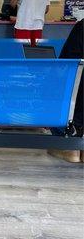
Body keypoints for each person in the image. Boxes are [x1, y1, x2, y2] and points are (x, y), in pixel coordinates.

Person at [48, 19, 84, 163]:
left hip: (77, 108)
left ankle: (71, 149)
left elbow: (65, 64)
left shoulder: (81, 27)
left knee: (51, 94)